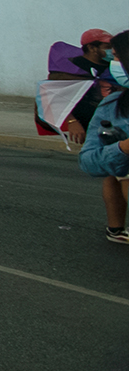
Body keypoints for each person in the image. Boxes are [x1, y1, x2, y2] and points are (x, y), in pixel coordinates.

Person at [76, 30, 127, 244]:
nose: (112, 63)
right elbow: (89, 161)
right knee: (116, 172)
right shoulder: (113, 105)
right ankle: (115, 229)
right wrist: (122, 148)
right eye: (112, 55)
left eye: (116, 56)